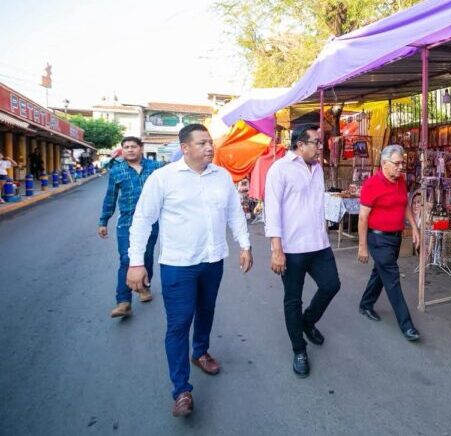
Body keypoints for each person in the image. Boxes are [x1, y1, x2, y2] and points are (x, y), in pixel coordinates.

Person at [126, 124, 252, 417]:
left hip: (212, 260)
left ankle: (201, 352)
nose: (210, 148)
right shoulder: (163, 178)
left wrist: (244, 245)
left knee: (206, 310)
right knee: (179, 324)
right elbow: (143, 220)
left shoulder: (222, 177)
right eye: (202, 143)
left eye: (210, 142)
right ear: (185, 148)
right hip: (177, 264)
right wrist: (135, 262)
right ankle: (181, 389)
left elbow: (234, 212)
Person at [264, 124, 340, 379]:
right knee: (292, 299)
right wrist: (277, 249)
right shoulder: (280, 169)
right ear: (300, 145)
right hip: (292, 248)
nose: (320, 146)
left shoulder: (317, 169)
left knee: (331, 285)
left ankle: (308, 321)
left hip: (319, 244)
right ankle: (299, 350)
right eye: (316, 142)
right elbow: (272, 211)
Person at [357, 144, 421, 342]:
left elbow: (405, 205)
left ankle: (366, 304)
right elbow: (362, 217)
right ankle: (407, 325)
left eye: (402, 163)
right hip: (378, 239)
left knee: (381, 273)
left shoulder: (400, 181)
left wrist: (415, 228)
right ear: (385, 163)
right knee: (392, 279)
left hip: (395, 237)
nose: (401, 167)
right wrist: (362, 246)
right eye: (397, 163)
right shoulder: (372, 185)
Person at [98, 137, 162, 318]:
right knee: (127, 259)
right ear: (122, 150)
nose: (130, 150)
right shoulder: (116, 171)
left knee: (146, 255)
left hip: (151, 222)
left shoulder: (156, 168)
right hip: (127, 222)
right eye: (126, 147)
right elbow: (110, 198)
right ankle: (123, 301)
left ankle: (144, 287)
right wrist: (103, 221)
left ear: (141, 149)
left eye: (134, 146)